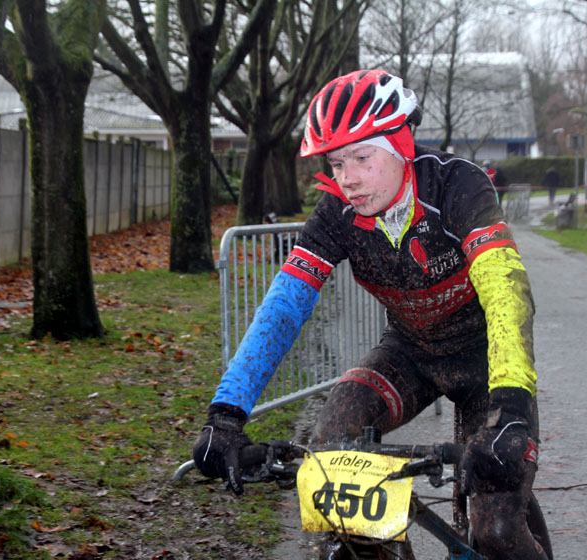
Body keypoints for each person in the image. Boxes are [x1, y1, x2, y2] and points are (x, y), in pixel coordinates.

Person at [192, 69, 548, 560]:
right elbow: (284, 305)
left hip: (486, 360)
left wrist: (510, 408)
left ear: (401, 144)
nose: (349, 178)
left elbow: (506, 293)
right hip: (409, 356)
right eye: (336, 162)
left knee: (496, 531)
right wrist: (226, 413)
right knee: (331, 442)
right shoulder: (335, 212)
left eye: (363, 156)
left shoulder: (456, 186)